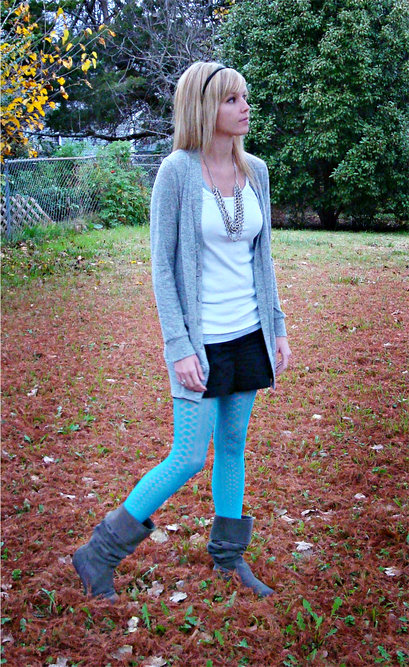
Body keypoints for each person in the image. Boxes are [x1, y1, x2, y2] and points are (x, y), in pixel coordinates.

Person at [73, 61, 291, 603]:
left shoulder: (257, 171)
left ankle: (228, 558)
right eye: (232, 100)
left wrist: (277, 328)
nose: (245, 108)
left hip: (248, 332)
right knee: (189, 455)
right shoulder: (176, 172)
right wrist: (178, 345)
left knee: (233, 445)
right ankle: (98, 553)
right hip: (201, 340)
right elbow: (162, 267)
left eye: (244, 97)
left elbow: (263, 258)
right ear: (204, 107)